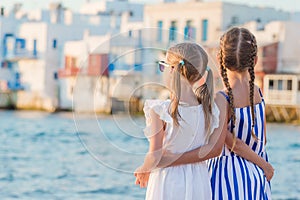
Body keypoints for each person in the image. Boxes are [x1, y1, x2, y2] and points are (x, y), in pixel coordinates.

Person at [155, 27, 274, 200]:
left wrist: (169, 159)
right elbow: (263, 139)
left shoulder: (222, 98)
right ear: (254, 61)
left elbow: (229, 144)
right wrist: (263, 165)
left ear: (219, 59)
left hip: (227, 178)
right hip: (257, 176)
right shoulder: (258, 93)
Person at [134, 42, 228, 200]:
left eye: (163, 66)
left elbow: (155, 155)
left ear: (172, 70)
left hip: (168, 179)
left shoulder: (160, 110)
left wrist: (144, 168)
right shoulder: (209, 111)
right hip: (199, 179)